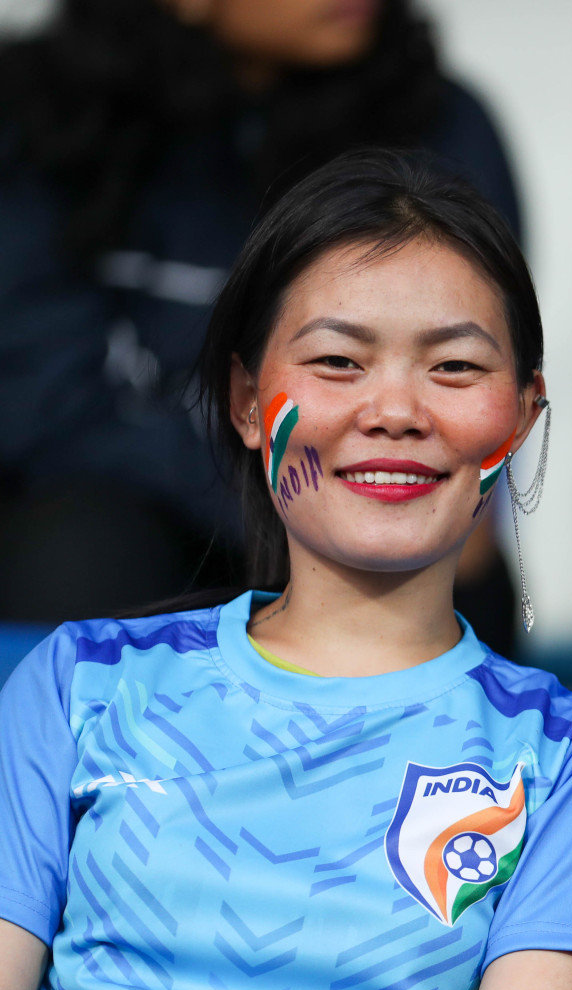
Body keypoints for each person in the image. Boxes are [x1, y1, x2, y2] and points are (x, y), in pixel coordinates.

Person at [0, 151, 572, 990]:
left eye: (454, 367)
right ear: (248, 401)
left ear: (522, 415)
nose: (395, 410)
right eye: (339, 361)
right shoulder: (79, 686)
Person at [0, 0, 522, 650]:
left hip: (347, 491)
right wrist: (272, 498)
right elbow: (42, 407)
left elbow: (484, 358)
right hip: (127, 511)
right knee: (76, 547)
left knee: (453, 574)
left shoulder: (441, 124)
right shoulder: (35, 117)